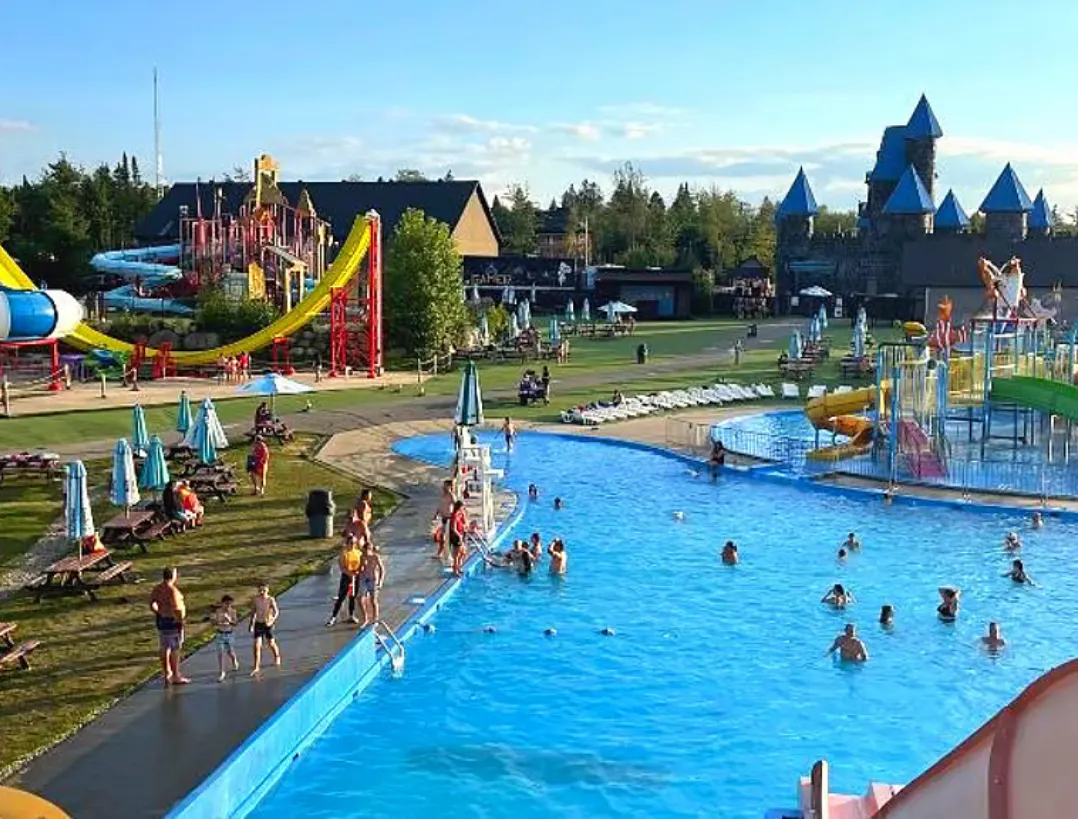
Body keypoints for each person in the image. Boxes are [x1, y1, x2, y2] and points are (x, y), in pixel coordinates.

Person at [150, 567, 189, 686]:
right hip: (172, 621)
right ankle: (176, 675)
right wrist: (180, 621)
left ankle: (167, 673)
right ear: (173, 576)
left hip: (161, 620)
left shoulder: (157, 588)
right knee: (175, 648)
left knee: (164, 646)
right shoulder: (172, 590)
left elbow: (152, 603)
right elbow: (177, 608)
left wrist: (158, 612)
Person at [327, 535, 363, 626]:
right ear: (347, 543)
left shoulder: (358, 552)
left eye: (354, 543)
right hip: (347, 577)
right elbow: (342, 567)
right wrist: (350, 574)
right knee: (341, 597)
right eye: (351, 543)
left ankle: (351, 615)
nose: (353, 545)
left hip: (355, 577)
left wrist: (358, 571)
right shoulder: (344, 554)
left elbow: (362, 564)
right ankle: (333, 617)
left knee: (352, 596)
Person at [249, 583, 282, 675]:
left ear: (267, 590)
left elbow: (276, 612)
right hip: (258, 623)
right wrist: (251, 624)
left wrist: (272, 620)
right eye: (260, 590)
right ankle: (256, 666)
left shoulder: (270, 599)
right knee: (257, 646)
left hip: (268, 624)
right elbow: (253, 612)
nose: (262, 592)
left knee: (271, 643)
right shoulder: (255, 600)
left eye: (264, 590)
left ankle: (277, 656)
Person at [212, 595, 240, 682]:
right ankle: (222, 672)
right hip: (220, 634)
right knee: (220, 653)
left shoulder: (233, 612)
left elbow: (235, 623)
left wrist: (229, 620)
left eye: (230, 604)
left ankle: (234, 660)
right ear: (222, 603)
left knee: (230, 651)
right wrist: (217, 621)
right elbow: (214, 623)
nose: (228, 606)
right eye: (226, 604)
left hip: (229, 634)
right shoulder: (218, 611)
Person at [358, 540, 386, 627]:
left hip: (373, 579)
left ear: (370, 549)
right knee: (360, 599)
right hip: (364, 579)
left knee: (373, 600)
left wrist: (380, 582)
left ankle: (375, 619)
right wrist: (361, 568)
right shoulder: (362, 557)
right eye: (364, 550)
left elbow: (382, 569)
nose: (366, 552)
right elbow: (361, 568)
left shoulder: (375, 557)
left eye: (367, 550)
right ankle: (365, 618)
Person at [433, 480, 456, 561]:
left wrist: (455, 516)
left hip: (449, 518)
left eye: (445, 485)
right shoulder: (443, 495)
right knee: (442, 537)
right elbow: (440, 506)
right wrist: (436, 515)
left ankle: (450, 554)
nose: (443, 487)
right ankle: (440, 553)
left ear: (449, 486)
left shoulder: (451, 496)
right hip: (443, 518)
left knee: (448, 537)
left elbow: (456, 506)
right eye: (443, 485)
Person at [449, 500, 468, 576]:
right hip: (456, 536)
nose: (464, 508)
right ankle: (455, 570)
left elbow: (465, 522)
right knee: (457, 554)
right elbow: (453, 528)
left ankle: (458, 567)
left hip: (462, 534)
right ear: (459, 507)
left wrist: (464, 515)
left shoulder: (461, 514)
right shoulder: (454, 516)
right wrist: (459, 536)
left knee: (463, 552)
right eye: (463, 506)